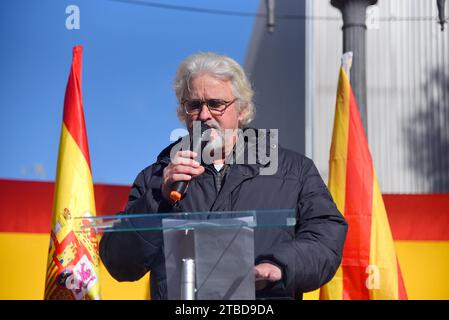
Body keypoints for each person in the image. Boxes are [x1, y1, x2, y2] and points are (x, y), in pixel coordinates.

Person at [99, 52, 347, 300]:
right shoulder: (157, 178)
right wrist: (158, 200)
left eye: (216, 104)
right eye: (194, 105)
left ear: (242, 109)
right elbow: (119, 263)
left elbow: (325, 238)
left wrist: (279, 265)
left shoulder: (294, 170)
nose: (204, 116)